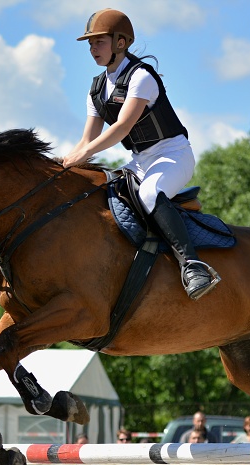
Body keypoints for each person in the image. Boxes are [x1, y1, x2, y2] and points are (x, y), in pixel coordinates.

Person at [62, 8, 219, 300]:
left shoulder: (141, 77)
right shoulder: (96, 89)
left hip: (173, 154)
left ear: (120, 42)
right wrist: (64, 165)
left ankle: (193, 264)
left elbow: (122, 128)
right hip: (139, 160)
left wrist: (80, 156)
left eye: (99, 42)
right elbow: (87, 138)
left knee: (149, 194)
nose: (93, 49)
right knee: (102, 192)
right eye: (90, 44)